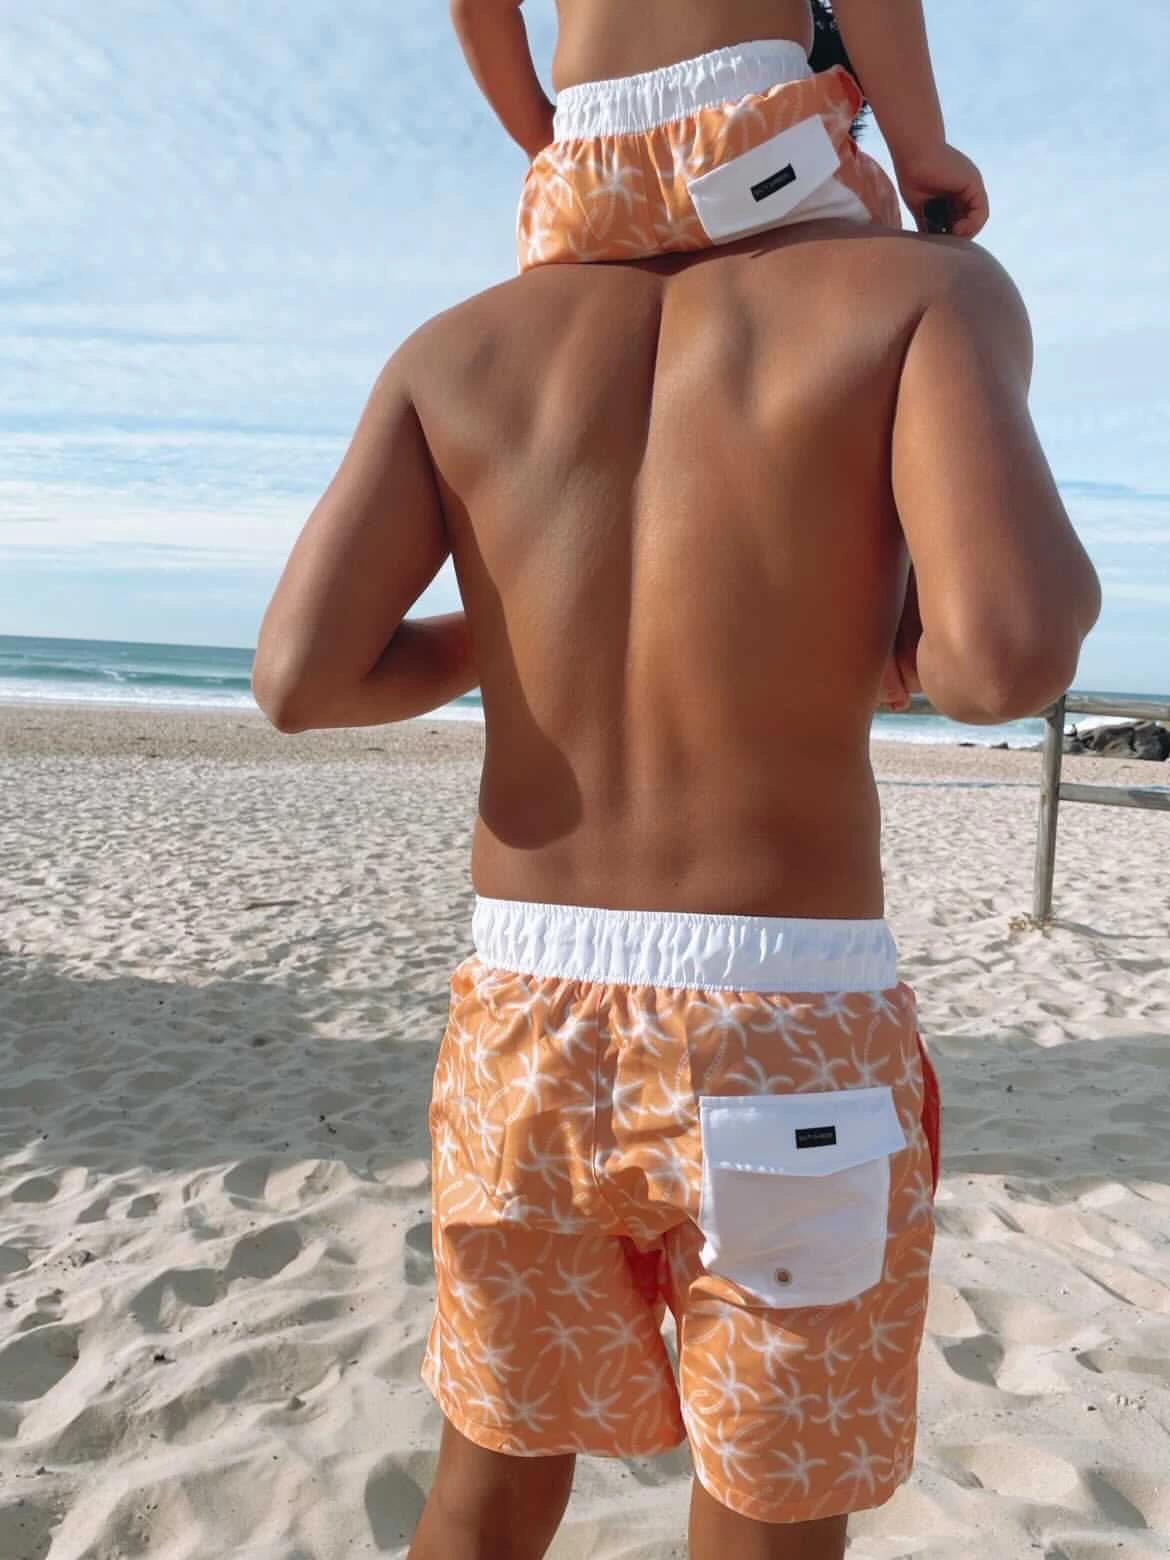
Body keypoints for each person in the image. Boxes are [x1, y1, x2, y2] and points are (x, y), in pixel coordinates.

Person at [252, 214, 1100, 1557]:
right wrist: (868, 635)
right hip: (783, 1022)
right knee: (769, 1505)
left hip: (524, 1017)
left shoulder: (453, 349)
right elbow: (1000, 663)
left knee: (488, 1479)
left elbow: (302, 679)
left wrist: (526, 609)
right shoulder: (921, 289)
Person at [450, 0, 988, 269]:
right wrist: (921, 153)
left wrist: (543, 143)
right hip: (752, 122)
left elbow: (476, 8)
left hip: (586, 157)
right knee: (891, 259)